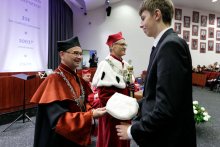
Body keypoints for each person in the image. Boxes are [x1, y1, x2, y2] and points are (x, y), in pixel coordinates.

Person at [116, 0, 196, 147]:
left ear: (157, 14)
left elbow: (166, 107)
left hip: (169, 138)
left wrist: (133, 130)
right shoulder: (163, 44)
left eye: (143, 18)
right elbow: (155, 95)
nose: (141, 24)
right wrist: (134, 105)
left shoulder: (170, 45)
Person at [30, 36, 107, 147]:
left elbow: (82, 104)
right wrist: (91, 116)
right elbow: (59, 120)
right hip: (61, 140)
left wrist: (92, 111)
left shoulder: (78, 78)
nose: (80, 57)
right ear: (62, 54)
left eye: (81, 54)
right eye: (75, 53)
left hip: (77, 136)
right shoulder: (53, 80)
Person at [92, 32, 135, 147]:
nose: (125, 47)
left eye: (125, 44)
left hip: (126, 110)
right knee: (113, 140)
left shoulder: (125, 64)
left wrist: (131, 87)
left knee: (125, 137)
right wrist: (123, 106)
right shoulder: (105, 64)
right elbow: (104, 95)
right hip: (113, 113)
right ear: (112, 46)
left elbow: (127, 85)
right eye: (122, 44)